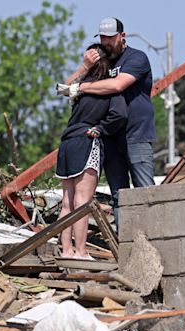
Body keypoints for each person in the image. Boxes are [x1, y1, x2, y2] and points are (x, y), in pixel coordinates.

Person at [65, 17, 156, 229]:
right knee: (118, 194)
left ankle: (153, 239)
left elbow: (117, 85)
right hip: (108, 136)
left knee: (145, 191)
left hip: (136, 135)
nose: (106, 43)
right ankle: (125, 243)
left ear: (122, 37)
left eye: (110, 38)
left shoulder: (137, 58)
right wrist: (85, 67)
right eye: (103, 38)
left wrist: (82, 88)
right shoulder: (101, 63)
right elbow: (65, 88)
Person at [55, 43, 127, 259]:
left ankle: (66, 250)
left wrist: (83, 67)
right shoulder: (108, 87)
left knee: (67, 202)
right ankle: (81, 251)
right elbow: (120, 115)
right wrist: (101, 129)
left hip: (67, 142)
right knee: (83, 201)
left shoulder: (80, 86)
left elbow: (62, 88)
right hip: (87, 141)